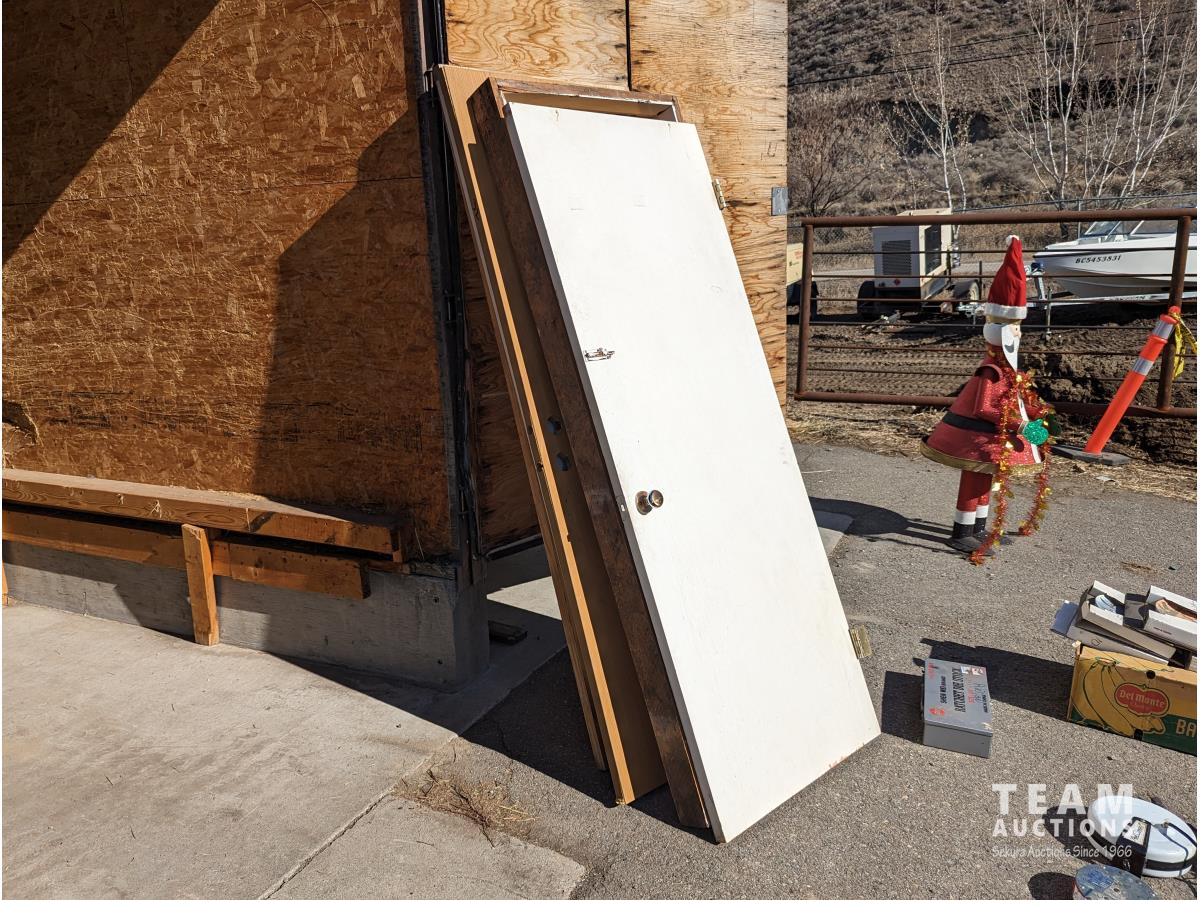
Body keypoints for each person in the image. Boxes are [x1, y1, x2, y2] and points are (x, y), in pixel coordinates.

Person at [919, 235, 1056, 561]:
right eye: (1014, 327)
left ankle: (979, 527)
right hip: (976, 439)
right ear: (1000, 330)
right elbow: (984, 407)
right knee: (973, 481)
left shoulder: (1009, 369)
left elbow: (1016, 400)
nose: (1018, 333)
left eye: (1019, 327)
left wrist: (1035, 415)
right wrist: (1019, 425)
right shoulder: (992, 371)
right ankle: (962, 531)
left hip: (992, 441)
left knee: (985, 481)